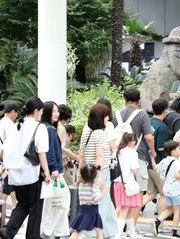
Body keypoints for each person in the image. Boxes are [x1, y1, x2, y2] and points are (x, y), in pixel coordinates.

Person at [0, 96, 50, 239]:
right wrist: (46, 172)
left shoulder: (16, 126)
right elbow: (41, 152)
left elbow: (5, 150)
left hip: (16, 174)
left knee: (23, 204)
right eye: (40, 112)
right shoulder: (39, 128)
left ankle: (8, 231)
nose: (41, 114)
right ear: (35, 111)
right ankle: (30, 236)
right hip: (31, 173)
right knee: (35, 207)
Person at [113, 88, 156, 235]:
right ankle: (132, 229)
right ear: (138, 101)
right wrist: (153, 151)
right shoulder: (142, 115)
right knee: (137, 195)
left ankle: (117, 226)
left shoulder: (116, 114)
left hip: (118, 158)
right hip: (137, 156)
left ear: (125, 100)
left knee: (120, 197)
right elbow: (149, 137)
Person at [79, 104, 118, 238]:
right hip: (100, 171)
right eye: (106, 115)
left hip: (87, 172)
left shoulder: (86, 132)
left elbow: (81, 156)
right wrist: (100, 175)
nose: (108, 118)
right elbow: (100, 156)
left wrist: (80, 176)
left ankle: (110, 232)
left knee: (104, 203)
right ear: (102, 118)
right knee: (100, 203)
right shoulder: (100, 133)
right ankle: (92, 234)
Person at [40, 101, 70, 238]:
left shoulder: (46, 127)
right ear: (46, 113)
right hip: (54, 172)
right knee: (60, 202)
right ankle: (48, 231)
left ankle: (52, 231)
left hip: (52, 171)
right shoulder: (50, 129)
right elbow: (50, 151)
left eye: (57, 111)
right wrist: (54, 169)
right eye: (53, 111)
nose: (56, 114)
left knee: (53, 203)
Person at [151, 141, 180, 238]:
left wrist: (151, 158)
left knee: (170, 209)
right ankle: (174, 232)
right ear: (174, 151)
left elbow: (156, 168)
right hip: (175, 189)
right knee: (176, 211)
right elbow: (178, 175)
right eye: (179, 148)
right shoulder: (177, 163)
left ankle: (157, 221)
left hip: (166, 188)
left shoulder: (164, 161)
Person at [142, 99, 170, 221]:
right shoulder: (162, 127)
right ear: (165, 110)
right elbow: (159, 146)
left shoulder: (148, 122)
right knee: (164, 193)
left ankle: (129, 214)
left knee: (150, 193)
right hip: (157, 163)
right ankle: (159, 222)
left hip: (146, 161)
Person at [113, 133, 142, 239]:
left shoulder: (118, 151)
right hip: (129, 183)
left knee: (124, 208)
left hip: (118, 182)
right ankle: (119, 233)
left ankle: (130, 233)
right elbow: (134, 169)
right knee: (127, 209)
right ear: (133, 141)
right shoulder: (132, 152)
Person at [70, 164, 109, 239]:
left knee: (78, 230)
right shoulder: (93, 187)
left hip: (82, 211)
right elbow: (96, 199)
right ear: (94, 176)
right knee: (99, 230)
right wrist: (104, 191)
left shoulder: (81, 185)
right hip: (93, 211)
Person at [0, 103, 19, 211]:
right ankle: (13, 206)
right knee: (9, 181)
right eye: (17, 113)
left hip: (2, 158)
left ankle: (15, 205)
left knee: (9, 181)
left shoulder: (1, 122)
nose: (17, 115)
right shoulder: (10, 125)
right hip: (6, 157)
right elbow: (12, 144)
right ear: (12, 111)